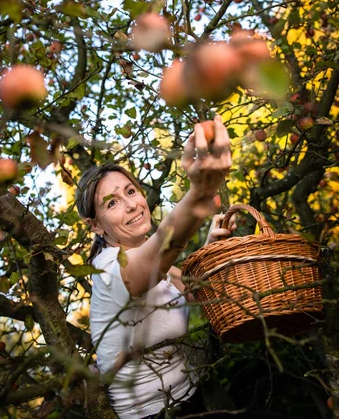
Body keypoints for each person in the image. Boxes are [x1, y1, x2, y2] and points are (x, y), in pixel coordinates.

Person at [75, 118, 290, 419]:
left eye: (131, 192)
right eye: (111, 204)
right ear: (96, 225)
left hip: (190, 400)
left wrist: (211, 245)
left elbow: (193, 290)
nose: (131, 205)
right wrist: (201, 191)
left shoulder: (144, 253)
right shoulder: (109, 270)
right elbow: (166, 245)